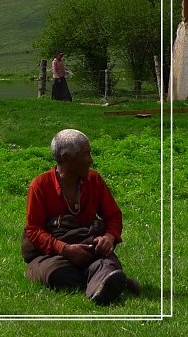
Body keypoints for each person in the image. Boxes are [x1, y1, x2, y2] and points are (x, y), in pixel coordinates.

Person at [22, 129, 138, 304]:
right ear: (67, 158)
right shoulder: (40, 185)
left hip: (88, 248)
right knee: (55, 273)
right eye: (86, 154)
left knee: (105, 262)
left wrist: (108, 237)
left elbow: (113, 215)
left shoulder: (95, 180)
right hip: (55, 255)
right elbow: (34, 230)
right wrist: (65, 249)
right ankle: (103, 281)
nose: (91, 160)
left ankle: (104, 279)